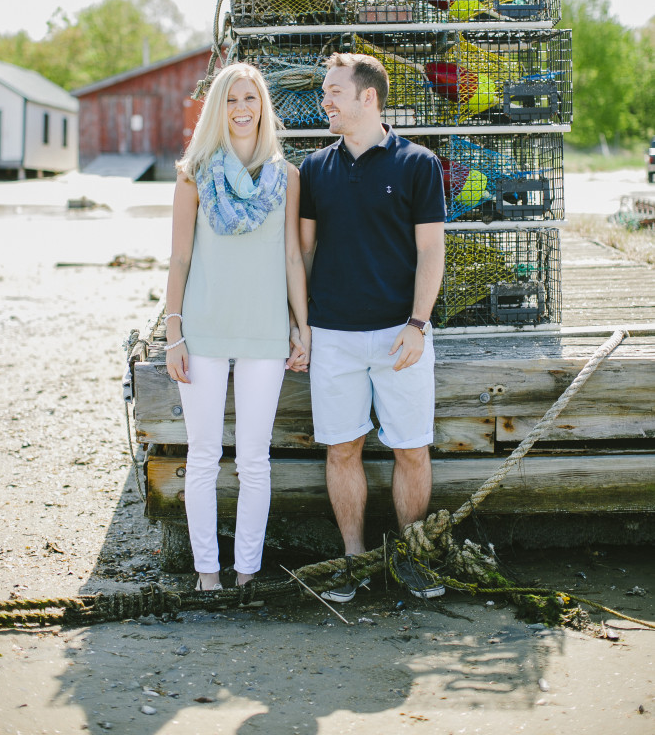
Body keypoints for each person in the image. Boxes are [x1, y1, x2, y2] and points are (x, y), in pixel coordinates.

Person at [297, 51, 446, 602]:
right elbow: (304, 254)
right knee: (342, 449)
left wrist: (417, 323)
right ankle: (353, 560)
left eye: (335, 90)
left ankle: (412, 559)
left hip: (398, 335)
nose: (325, 100)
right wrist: (302, 325)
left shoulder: (416, 164)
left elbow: (431, 251)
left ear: (368, 97)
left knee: (411, 448)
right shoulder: (314, 169)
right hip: (333, 337)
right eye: (324, 91)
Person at [165, 62, 310, 593]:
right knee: (202, 455)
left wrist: (302, 326)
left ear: (263, 107)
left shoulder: (286, 176)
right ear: (217, 109)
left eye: (250, 99)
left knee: (254, 458)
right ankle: (207, 573)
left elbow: (293, 257)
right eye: (231, 100)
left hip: (265, 333)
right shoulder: (193, 173)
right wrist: (172, 333)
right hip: (202, 331)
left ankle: (246, 572)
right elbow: (179, 260)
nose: (242, 109)